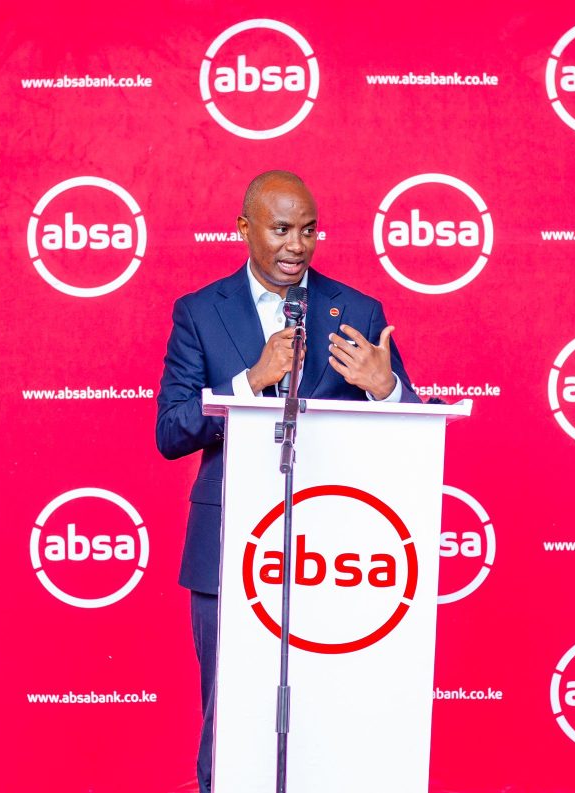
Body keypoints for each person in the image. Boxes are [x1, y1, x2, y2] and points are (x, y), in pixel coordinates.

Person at [155, 170, 419, 793]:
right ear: (244, 229)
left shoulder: (358, 310)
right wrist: (250, 381)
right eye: (280, 230)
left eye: (308, 230)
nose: (297, 245)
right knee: (231, 723)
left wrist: (386, 389)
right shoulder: (199, 313)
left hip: (339, 559)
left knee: (332, 720)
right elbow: (170, 430)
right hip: (230, 554)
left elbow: (412, 427)